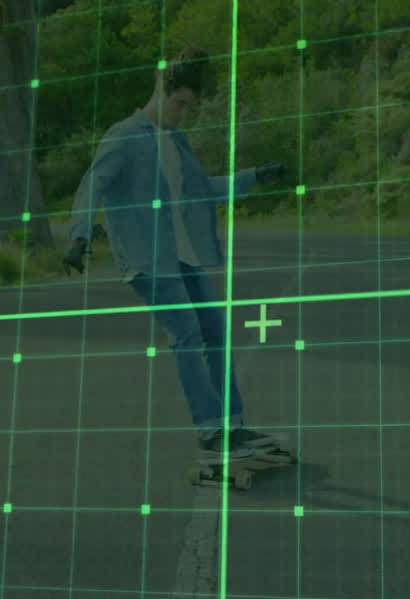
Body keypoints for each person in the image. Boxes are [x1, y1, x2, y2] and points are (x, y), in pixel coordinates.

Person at [64, 45, 288, 463]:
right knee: (186, 332)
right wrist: (79, 236)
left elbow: (201, 189)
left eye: (189, 106)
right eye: (180, 104)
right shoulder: (123, 137)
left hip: (181, 257)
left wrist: (254, 177)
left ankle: (233, 427)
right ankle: (209, 431)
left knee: (215, 331)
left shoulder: (176, 140)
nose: (183, 113)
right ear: (160, 89)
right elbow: (91, 184)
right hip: (146, 261)